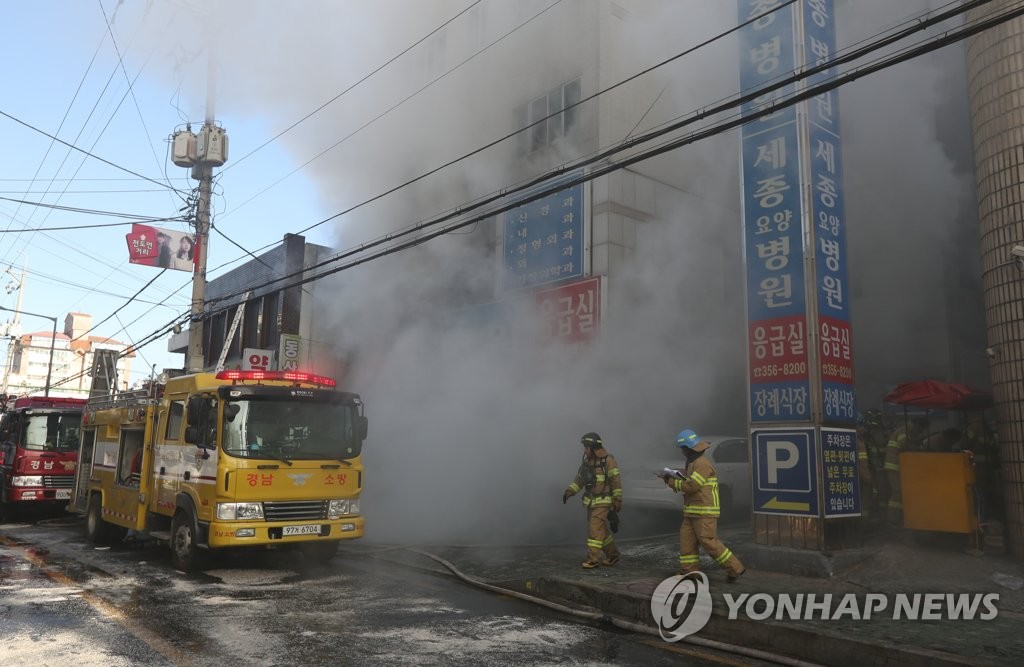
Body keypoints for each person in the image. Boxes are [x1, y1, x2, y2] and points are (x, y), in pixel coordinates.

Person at [664, 428, 745, 581]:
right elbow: (691, 482)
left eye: (683, 449)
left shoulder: (702, 463)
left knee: (709, 542)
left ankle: (735, 568)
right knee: (687, 542)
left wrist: (672, 482)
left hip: (704, 512)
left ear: (689, 448)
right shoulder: (693, 462)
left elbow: (693, 486)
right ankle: (690, 572)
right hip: (692, 511)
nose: (682, 452)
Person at [562, 432, 622, 569]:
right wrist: (569, 491)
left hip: (603, 501)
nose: (584, 450)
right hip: (591, 502)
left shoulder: (608, 461)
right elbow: (579, 480)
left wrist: (617, 500)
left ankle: (593, 559)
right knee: (601, 530)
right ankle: (613, 555)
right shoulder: (586, 463)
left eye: (586, 447)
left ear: (593, 447)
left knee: (594, 529)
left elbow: (616, 482)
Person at [883, 416, 927, 525]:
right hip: (893, 466)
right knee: (897, 491)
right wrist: (918, 447)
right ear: (915, 425)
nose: (920, 432)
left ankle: (898, 518)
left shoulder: (909, 432)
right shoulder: (904, 431)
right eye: (920, 429)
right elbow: (904, 445)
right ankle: (892, 519)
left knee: (901, 492)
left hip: (900, 467)